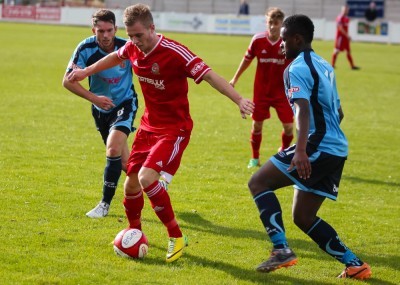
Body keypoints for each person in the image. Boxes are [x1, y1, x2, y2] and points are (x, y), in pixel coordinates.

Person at [67, 3, 254, 263]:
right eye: (131, 36)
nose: (134, 41)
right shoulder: (132, 47)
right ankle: (135, 231)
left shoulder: (175, 52)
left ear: (152, 28)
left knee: (146, 178)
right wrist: (86, 71)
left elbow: (211, 76)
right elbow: (115, 56)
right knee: (131, 181)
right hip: (148, 126)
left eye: (139, 36)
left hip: (174, 128)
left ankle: (176, 235)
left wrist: (239, 99)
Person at [247, 14, 371, 280]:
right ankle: (355, 264)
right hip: (337, 148)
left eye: (283, 40)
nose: (279, 45)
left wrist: (302, 150)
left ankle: (281, 249)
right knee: (303, 216)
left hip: (317, 145)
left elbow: (302, 110)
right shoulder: (324, 65)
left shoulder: (295, 69)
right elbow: (339, 112)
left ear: (297, 39)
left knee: (258, 182)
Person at [62, 9, 138, 218]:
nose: (105, 36)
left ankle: (104, 205)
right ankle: (153, 185)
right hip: (100, 110)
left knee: (113, 149)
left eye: (109, 30)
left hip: (125, 103)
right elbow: (67, 81)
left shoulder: (127, 47)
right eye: (100, 31)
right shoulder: (86, 48)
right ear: (93, 29)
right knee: (124, 163)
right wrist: (94, 99)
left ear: (116, 29)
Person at [230, 7, 293, 169]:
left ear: (282, 25)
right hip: (261, 92)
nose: (273, 26)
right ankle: (255, 158)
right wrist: (235, 78)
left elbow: (296, 65)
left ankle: (284, 153)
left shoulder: (288, 42)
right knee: (257, 125)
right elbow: (247, 60)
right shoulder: (258, 40)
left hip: (283, 92)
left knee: (288, 127)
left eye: (277, 23)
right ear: (267, 22)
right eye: (270, 23)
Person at [331, 5, 360, 70]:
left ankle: (352, 66)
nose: (346, 11)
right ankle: (332, 65)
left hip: (345, 38)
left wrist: (347, 36)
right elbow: (340, 28)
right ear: (342, 10)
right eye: (345, 10)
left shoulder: (347, 18)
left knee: (348, 51)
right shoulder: (340, 17)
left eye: (347, 10)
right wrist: (347, 36)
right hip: (340, 37)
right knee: (336, 51)